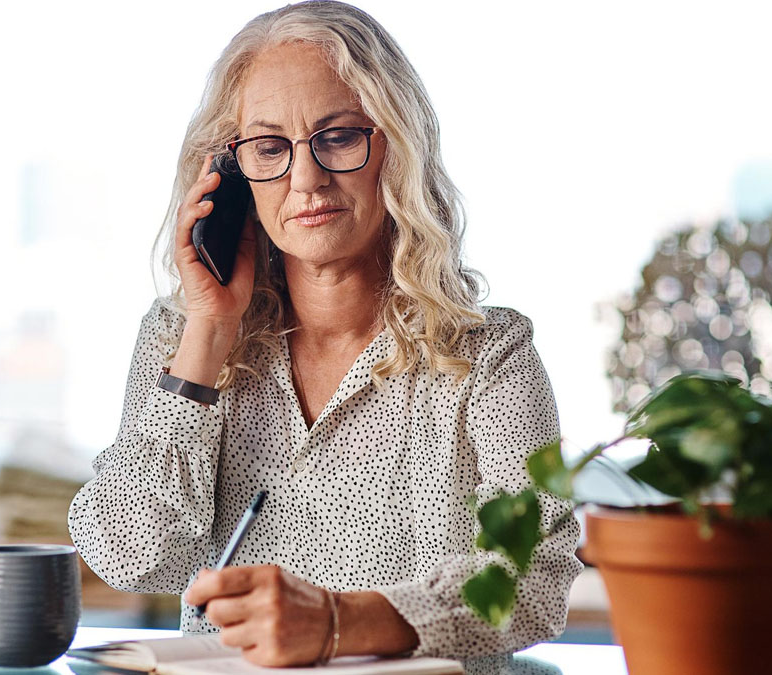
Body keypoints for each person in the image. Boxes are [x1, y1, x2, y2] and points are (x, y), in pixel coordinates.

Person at [68, 1, 581, 668]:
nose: (306, 179)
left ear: (393, 145)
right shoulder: (182, 335)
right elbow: (128, 556)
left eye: (337, 137)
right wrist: (210, 333)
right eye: (269, 147)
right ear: (230, 174)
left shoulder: (491, 358)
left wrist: (339, 622)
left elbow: (535, 576)